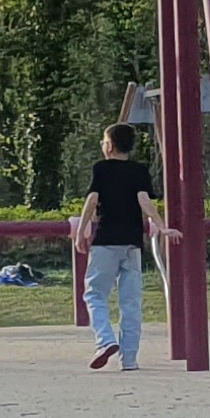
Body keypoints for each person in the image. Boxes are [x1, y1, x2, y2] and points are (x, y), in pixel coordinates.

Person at [74, 120, 164, 372]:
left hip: (106, 241)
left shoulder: (101, 169)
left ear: (110, 146)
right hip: (132, 243)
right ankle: (130, 359)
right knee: (131, 302)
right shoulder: (139, 171)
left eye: (103, 141)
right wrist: (161, 225)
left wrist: (82, 231)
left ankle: (105, 341)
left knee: (94, 294)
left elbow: (92, 200)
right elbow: (144, 200)